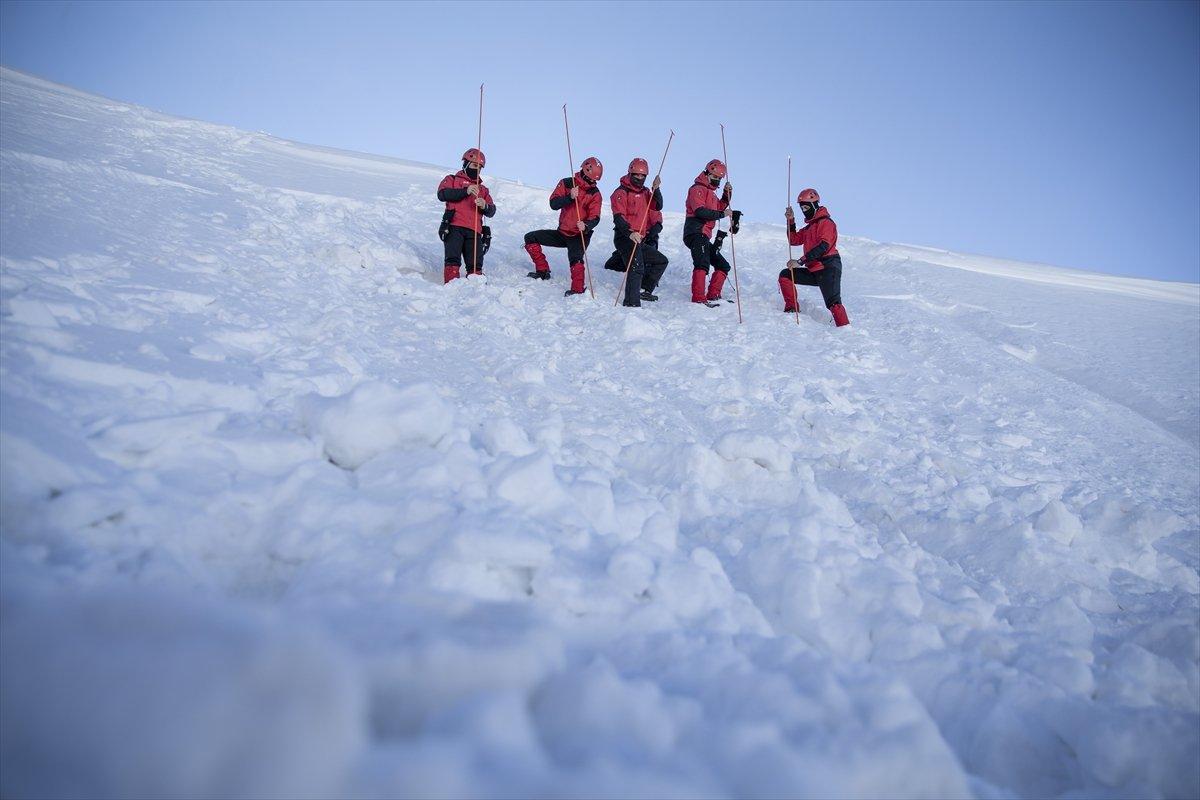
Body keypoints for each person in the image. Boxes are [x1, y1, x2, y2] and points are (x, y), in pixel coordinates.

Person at [524, 157, 604, 296]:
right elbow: (553, 204)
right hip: (562, 233)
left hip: (580, 235)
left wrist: (586, 225)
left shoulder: (595, 194)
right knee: (530, 238)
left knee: (575, 258)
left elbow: (595, 217)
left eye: (594, 180)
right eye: (590, 179)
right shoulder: (567, 183)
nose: (592, 183)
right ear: (584, 170)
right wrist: (570, 197)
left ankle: (577, 290)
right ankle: (543, 271)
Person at [603, 158, 668, 306]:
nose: (639, 178)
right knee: (636, 266)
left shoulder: (646, 192)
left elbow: (658, 206)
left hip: (639, 239)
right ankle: (631, 302)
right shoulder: (620, 192)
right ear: (630, 173)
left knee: (661, 261)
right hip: (625, 236)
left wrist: (656, 189)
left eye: (642, 176)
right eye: (636, 175)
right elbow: (618, 217)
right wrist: (630, 232)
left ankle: (644, 289)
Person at [780, 188, 850, 326]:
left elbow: (824, 246)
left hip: (828, 267)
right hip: (814, 269)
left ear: (814, 205)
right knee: (786, 275)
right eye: (802, 208)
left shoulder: (826, 223)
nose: (804, 210)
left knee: (833, 303)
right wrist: (791, 220)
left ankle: (846, 331)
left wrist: (800, 261)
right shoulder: (809, 228)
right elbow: (793, 240)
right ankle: (791, 309)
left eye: (806, 207)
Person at [435, 148, 495, 284]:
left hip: (475, 232)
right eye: (474, 165)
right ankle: (451, 287)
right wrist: (465, 191)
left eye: (480, 167)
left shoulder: (483, 190)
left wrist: (485, 205)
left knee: (475, 265)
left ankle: (475, 292)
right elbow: (442, 194)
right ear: (466, 164)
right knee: (452, 260)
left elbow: (491, 211)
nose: (477, 170)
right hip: (454, 227)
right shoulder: (452, 179)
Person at [684, 159, 738, 305]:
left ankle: (713, 294)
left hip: (704, 235)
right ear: (707, 173)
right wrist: (723, 214)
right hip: (695, 232)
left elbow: (719, 207)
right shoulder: (697, 189)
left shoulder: (711, 194)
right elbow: (700, 211)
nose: (717, 181)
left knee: (722, 265)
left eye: (719, 179)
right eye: (714, 177)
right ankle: (698, 298)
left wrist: (727, 194)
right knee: (702, 263)